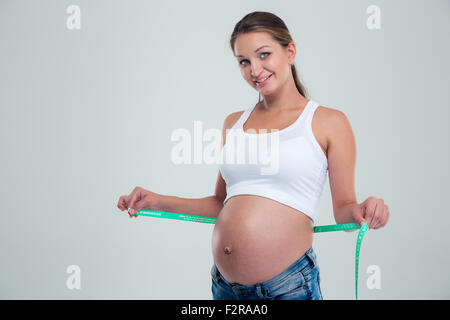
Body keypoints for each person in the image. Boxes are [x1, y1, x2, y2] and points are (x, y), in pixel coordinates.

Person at [117, 11, 390, 300]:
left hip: (288, 288)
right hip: (224, 288)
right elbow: (220, 204)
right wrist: (156, 200)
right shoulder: (233, 123)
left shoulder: (328, 122)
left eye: (264, 55)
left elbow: (344, 209)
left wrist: (363, 210)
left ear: (290, 51)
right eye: (244, 62)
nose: (254, 69)